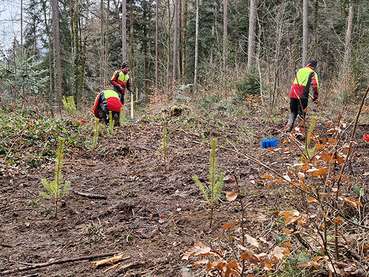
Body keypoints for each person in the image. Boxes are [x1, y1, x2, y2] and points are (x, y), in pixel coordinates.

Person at [285, 60, 319, 132]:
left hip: (293, 93)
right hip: (302, 95)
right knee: (302, 113)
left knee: (293, 111)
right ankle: (299, 131)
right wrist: (315, 97)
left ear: (308, 64)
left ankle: (288, 127)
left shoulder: (300, 70)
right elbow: (315, 86)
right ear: (314, 67)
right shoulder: (312, 73)